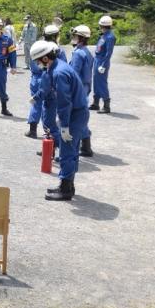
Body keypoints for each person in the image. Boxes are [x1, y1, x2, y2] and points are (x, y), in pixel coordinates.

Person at [30, 41, 90, 201]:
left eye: (37, 60)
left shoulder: (59, 73)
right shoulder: (55, 67)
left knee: (67, 152)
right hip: (76, 112)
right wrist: (36, 97)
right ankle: (68, 185)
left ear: (44, 58)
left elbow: (64, 102)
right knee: (70, 151)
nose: (37, 64)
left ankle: (65, 189)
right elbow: (45, 84)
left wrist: (64, 126)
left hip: (75, 114)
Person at [27, 24, 68, 140]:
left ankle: (33, 130)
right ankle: (49, 137)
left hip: (37, 79)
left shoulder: (38, 46)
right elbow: (63, 66)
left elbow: (33, 65)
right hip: (52, 81)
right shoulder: (58, 50)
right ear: (56, 36)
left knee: (36, 103)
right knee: (50, 110)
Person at [69, 25, 95, 156]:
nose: (73, 38)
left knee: (76, 117)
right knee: (80, 116)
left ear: (80, 38)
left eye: (75, 36)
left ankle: (81, 146)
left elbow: (74, 73)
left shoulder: (78, 53)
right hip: (84, 87)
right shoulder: (86, 51)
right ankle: (86, 146)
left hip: (78, 88)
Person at [90, 15, 116, 113]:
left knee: (102, 83)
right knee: (96, 82)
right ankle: (96, 103)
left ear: (102, 25)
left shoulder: (110, 37)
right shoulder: (103, 35)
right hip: (97, 60)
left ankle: (106, 106)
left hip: (102, 61)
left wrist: (103, 65)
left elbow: (108, 53)